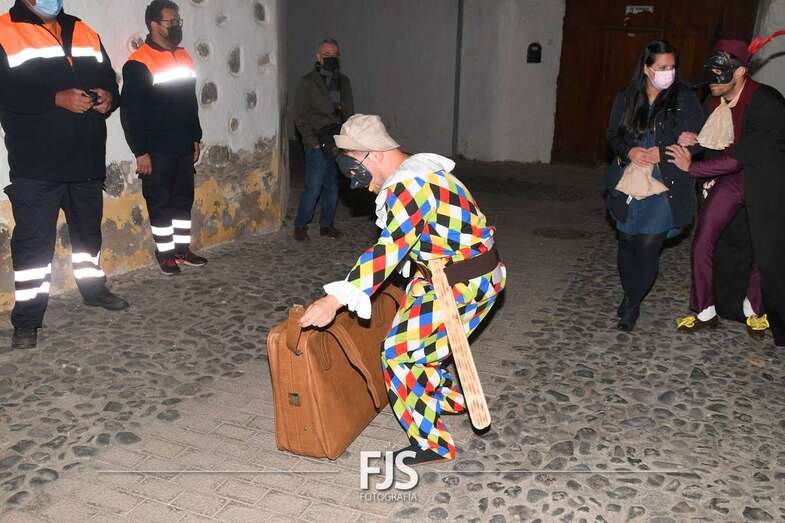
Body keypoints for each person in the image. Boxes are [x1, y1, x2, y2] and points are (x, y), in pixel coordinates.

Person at [299, 114, 507, 465]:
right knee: (419, 343)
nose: (360, 184)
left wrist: (334, 300)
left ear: (374, 154)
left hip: (463, 283)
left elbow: (388, 251)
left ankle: (432, 444)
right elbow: (421, 238)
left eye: (354, 166)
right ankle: (446, 399)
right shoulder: (420, 173)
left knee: (399, 354)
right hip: (453, 275)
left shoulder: (409, 186)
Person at [0, 0, 129, 350]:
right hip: (36, 165)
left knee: (88, 236)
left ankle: (93, 290)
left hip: (86, 160)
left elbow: (108, 78)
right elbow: (6, 91)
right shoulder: (4, 31)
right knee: (33, 247)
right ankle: (27, 320)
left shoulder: (83, 30)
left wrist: (109, 98)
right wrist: (54, 98)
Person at [669, 35, 785, 347]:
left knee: (764, 248)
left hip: (769, 181)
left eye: (718, 78)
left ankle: (754, 307)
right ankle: (704, 309)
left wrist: (692, 169)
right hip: (734, 178)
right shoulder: (715, 100)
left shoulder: (768, 102)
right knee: (703, 239)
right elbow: (716, 142)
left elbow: (738, 156)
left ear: (740, 72)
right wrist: (696, 142)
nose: (712, 84)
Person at [606, 40, 704, 331]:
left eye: (672, 67)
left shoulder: (685, 98)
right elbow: (613, 136)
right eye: (661, 67)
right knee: (627, 241)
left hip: (666, 183)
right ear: (647, 69)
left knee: (648, 246)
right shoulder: (627, 97)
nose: (668, 72)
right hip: (631, 179)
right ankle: (631, 293)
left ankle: (632, 306)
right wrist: (630, 151)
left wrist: (681, 145)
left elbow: (700, 140)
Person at [121, 0, 206, 276]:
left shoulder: (184, 56)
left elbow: (190, 102)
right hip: (157, 149)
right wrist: (140, 151)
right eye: (171, 21)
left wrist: (195, 136)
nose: (176, 25)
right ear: (154, 25)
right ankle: (165, 253)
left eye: (178, 21)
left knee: (183, 200)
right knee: (160, 202)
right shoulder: (138, 63)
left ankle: (181, 250)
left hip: (183, 144)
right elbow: (131, 113)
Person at [292, 38, 354, 241]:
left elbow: (349, 112)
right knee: (313, 186)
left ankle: (327, 225)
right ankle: (301, 225)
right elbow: (300, 116)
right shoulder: (307, 82)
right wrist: (312, 141)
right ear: (318, 57)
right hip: (317, 141)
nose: (330, 58)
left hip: (338, 141)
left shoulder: (343, 82)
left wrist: (348, 141)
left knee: (333, 186)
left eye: (334, 55)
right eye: (326, 55)